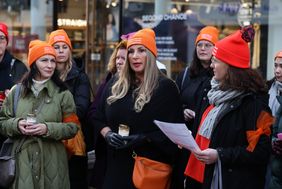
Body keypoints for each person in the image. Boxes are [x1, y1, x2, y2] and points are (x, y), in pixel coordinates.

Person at [92, 28, 183, 189]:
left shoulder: (165, 87)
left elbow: (174, 135)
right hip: (115, 167)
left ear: (151, 54)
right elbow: (97, 115)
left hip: (147, 169)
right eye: (131, 51)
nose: (135, 56)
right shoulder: (116, 83)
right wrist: (107, 134)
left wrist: (142, 138)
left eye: (141, 50)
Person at [184, 26, 273, 189]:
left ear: (230, 67)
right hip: (204, 178)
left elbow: (260, 151)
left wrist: (220, 155)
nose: (211, 65)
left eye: (216, 61)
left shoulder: (255, 103)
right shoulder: (213, 93)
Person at [0, 40, 79, 188]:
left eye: (52, 61)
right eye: (44, 60)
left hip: (53, 162)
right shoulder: (16, 92)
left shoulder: (63, 93)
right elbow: (2, 122)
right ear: (33, 63)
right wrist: (17, 125)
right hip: (22, 161)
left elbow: (73, 127)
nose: (50, 65)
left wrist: (47, 128)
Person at [175, 26, 219, 189]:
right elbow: (175, 102)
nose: (202, 48)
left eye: (208, 45)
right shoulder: (185, 74)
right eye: (199, 45)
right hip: (184, 142)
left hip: (207, 143)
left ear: (216, 48)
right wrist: (182, 110)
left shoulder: (220, 76)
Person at [48, 29, 90, 189]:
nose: (60, 51)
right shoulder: (45, 76)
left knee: (74, 182)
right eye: (56, 47)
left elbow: (80, 109)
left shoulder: (80, 77)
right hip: (50, 138)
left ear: (70, 50)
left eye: (64, 47)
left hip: (73, 140)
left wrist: (50, 115)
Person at [87, 39, 127, 189]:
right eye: (117, 57)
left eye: (123, 58)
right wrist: (107, 132)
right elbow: (93, 112)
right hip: (106, 149)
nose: (119, 61)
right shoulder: (109, 81)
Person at [0, 22, 28, 149]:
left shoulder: (18, 67)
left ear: (6, 42)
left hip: (10, 133)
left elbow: (29, 100)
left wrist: (10, 100)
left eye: (1, 38)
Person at [268, 51, 282, 189]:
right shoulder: (268, 87)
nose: (277, 71)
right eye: (276, 65)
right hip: (267, 148)